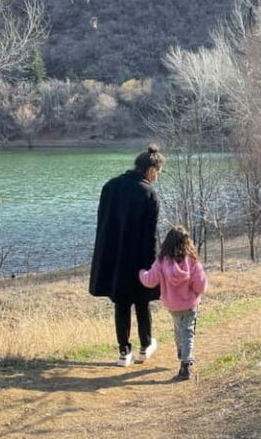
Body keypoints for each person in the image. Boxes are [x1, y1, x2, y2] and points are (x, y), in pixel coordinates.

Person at [89, 144, 166, 367]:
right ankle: (145, 347)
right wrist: (152, 266)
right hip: (139, 259)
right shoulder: (149, 194)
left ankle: (124, 353)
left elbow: (102, 225)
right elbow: (150, 235)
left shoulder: (110, 187)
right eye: (158, 173)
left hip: (113, 258)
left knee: (121, 304)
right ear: (151, 170)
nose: (157, 178)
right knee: (142, 303)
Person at [139, 225, 208, 381]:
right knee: (187, 331)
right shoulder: (192, 261)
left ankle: (181, 351)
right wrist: (196, 291)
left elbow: (149, 281)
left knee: (179, 329)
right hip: (190, 304)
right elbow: (201, 286)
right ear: (187, 242)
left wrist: (141, 273)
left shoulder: (162, 261)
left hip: (172, 305)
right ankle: (186, 364)